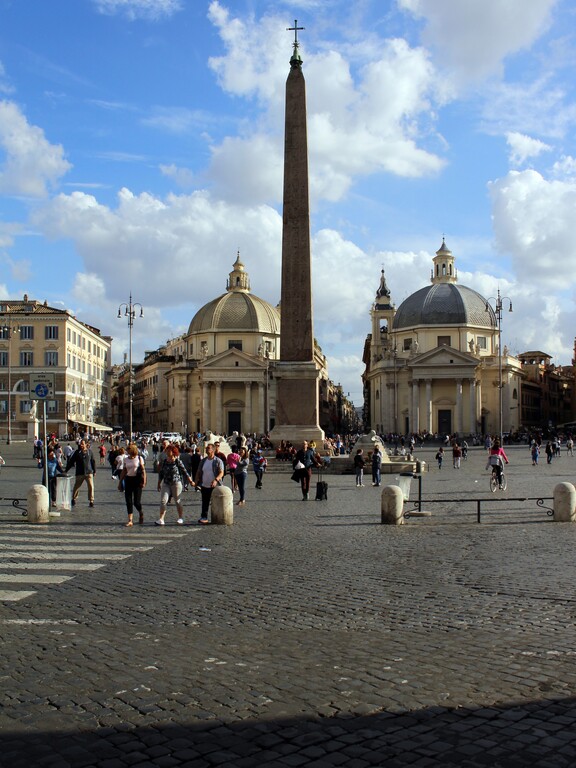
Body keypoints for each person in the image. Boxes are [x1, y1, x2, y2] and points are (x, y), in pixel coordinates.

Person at [155, 445, 194, 526]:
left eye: (168, 450)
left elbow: (185, 471)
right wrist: (158, 483)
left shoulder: (177, 461)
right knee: (163, 501)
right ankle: (161, 519)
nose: (167, 452)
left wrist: (190, 481)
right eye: (166, 450)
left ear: (173, 452)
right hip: (166, 483)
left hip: (176, 483)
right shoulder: (165, 461)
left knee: (177, 501)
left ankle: (180, 517)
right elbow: (161, 473)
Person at [195, 443, 225, 524]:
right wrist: (196, 481)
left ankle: (218, 517)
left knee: (216, 503)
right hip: (204, 485)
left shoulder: (218, 461)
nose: (206, 449)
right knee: (205, 502)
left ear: (213, 450)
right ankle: (204, 517)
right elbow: (199, 471)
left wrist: (216, 480)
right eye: (206, 448)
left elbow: (221, 472)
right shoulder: (203, 461)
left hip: (215, 486)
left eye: (208, 448)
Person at [119, 443, 147, 526]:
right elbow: (124, 470)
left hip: (137, 481)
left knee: (136, 502)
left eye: (129, 449)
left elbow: (143, 471)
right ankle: (130, 520)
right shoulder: (125, 459)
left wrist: (144, 481)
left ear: (133, 450)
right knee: (128, 501)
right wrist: (120, 482)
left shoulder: (139, 458)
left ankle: (140, 512)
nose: (127, 450)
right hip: (128, 480)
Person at [66, 440, 97, 507]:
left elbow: (93, 461)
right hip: (80, 472)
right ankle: (74, 498)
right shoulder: (77, 452)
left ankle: (91, 501)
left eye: (82, 444)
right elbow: (71, 462)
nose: (81, 445)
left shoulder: (90, 452)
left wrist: (94, 471)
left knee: (91, 486)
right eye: (80, 444)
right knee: (76, 487)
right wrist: (66, 470)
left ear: (86, 444)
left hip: (89, 472)